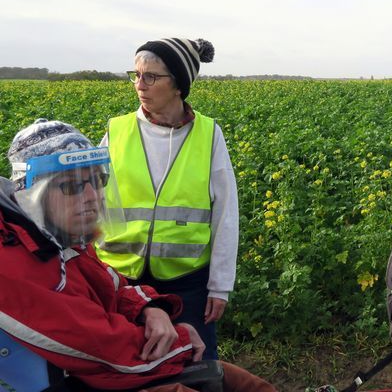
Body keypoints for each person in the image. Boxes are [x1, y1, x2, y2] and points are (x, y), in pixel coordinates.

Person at [0, 119, 274, 391]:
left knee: (238, 381)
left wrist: (150, 309)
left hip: (111, 372)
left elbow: (113, 286)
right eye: (72, 186)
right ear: (34, 192)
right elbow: (104, 348)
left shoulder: (56, 236)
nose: (92, 196)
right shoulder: (12, 265)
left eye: (98, 181)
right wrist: (181, 342)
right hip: (86, 378)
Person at [96, 38, 239, 361]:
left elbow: (226, 213)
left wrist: (220, 285)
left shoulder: (208, 134)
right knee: (127, 366)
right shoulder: (116, 132)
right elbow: (89, 203)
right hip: (121, 278)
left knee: (196, 367)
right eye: (135, 75)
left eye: (150, 76)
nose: (139, 85)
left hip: (186, 282)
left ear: (178, 85)